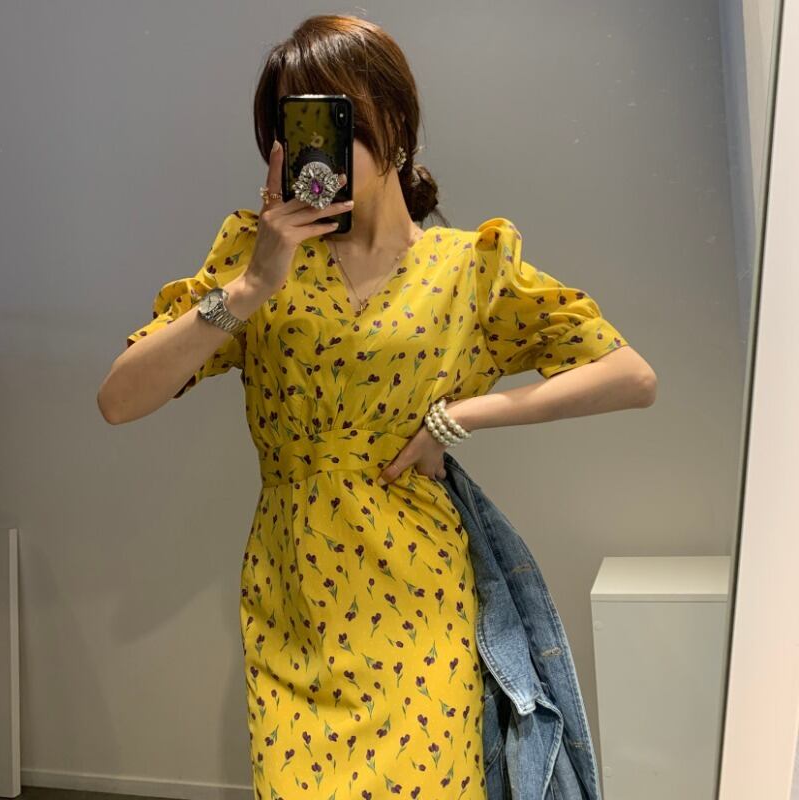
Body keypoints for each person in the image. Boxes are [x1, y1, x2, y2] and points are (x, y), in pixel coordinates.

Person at [97, 13, 656, 800]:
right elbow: (119, 399)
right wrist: (251, 287)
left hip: (422, 606)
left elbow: (630, 375)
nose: (314, 149)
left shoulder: (469, 268)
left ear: (393, 121)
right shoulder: (256, 261)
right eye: (292, 127)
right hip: (294, 612)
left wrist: (460, 417)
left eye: (336, 120)